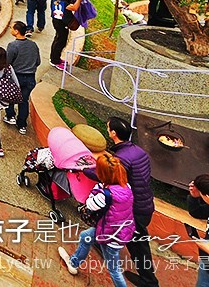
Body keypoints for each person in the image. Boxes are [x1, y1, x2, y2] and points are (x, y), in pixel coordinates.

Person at [58, 152, 135, 286]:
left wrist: (97, 188)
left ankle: (74, 263)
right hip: (121, 229)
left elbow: (90, 205)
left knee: (114, 270)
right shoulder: (126, 187)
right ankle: (73, 263)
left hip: (110, 235)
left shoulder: (105, 194)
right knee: (85, 237)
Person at [106, 117, 161, 287]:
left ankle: (149, 282)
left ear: (113, 133)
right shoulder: (138, 151)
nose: (107, 129)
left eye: (108, 128)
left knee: (138, 247)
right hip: (145, 204)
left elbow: (109, 177)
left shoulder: (122, 158)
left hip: (134, 210)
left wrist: (85, 169)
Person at [3, 22, 40, 135]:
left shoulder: (13, 46)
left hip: (16, 77)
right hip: (30, 78)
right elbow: (38, 62)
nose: (10, 29)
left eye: (11, 28)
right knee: (24, 101)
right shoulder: (33, 45)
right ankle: (22, 125)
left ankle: (10, 116)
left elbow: (7, 62)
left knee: (10, 97)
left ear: (16, 31)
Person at [49, 0, 85, 69]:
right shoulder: (59, 0)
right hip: (60, 23)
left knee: (59, 40)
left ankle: (55, 58)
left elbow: (71, 1)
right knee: (60, 42)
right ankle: (55, 61)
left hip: (60, 22)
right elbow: (74, 7)